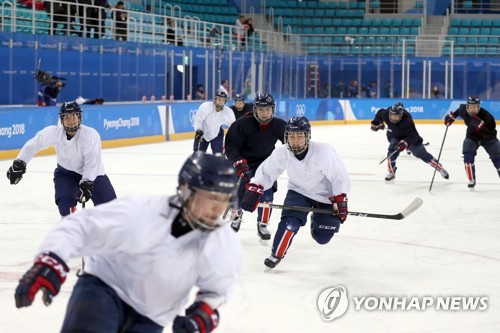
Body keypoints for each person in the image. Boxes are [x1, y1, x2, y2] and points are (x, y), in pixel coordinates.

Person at [14, 152, 241, 333]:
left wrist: (205, 309)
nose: (216, 209)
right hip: (103, 288)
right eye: (210, 198)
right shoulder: (141, 212)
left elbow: (217, 289)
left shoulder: (223, 243)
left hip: (153, 316)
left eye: (222, 201)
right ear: (185, 191)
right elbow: (79, 227)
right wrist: (51, 258)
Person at [239, 117, 351, 268]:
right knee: (289, 224)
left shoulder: (323, 152)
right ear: (286, 137)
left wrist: (340, 199)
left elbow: (339, 177)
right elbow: (267, 172)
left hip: (327, 196)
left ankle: (316, 218)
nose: (295, 140)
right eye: (291, 136)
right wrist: (256, 188)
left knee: (322, 238)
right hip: (299, 191)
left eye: (300, 136)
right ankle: (276, 255)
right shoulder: (282, 152)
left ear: (307, 136)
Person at [7, 101, 116, 217]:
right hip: (66, 174)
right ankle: (73, 230)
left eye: (74, 116)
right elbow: (34, 144)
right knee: (66, 208)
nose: (71, 120)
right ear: (61, 119)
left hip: (94, 176)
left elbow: (92, 163)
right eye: (67, 117)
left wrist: (87, 182)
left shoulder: (90, 136)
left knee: (112, 210)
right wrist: (20, 163)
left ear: (79, 117)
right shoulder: (54, 133)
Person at [225, 93, 286, 243]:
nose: (264, 113)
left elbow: (290, 145)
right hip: (243, 162)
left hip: (265, 163)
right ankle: (236, 218)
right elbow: (231, 146)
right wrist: (239, 162)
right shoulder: (242, 124)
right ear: (255, 109)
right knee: (238, 193)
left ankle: (263, 224)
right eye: (260, 109)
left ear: (273, 109)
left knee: (266, 194)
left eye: (267, 110)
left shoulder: (279, 125)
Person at [371, 102, 450, 181]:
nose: (394, 118)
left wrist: (404, 143)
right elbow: (380, 112)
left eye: (396, 117)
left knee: (423, 155)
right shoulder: (386, 113)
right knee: (391, 154)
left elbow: (413, 136)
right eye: (392, 116)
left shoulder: (407, 120)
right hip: (395, 135)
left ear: (401, 115)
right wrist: (376, 123)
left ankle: (440, 168)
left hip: (410, 138)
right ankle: (391, 172)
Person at [444, 96, 500, 189]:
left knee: (498, 161)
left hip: (488, 138)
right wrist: (451, 118)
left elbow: (491, 134)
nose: (473, 109)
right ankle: (471, 179)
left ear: (479, 107)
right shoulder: (463, 110)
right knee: (468, 157)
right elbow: (456, 113)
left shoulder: (488, 117)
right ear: (467, 107)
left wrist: (481, 128)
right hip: (472, 136)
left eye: (475, 107)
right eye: (471, 107)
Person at [193, 89, 235, 154]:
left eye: (223, 100)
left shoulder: (228, 112)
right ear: (215, 100)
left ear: (225, 101)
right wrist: (198, 130)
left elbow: (234, 126)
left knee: (218, 156)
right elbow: (198, 120)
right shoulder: (205, 107)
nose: (221, 102)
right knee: (197, 155)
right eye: (219, 99)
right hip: (202, 133)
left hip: (217, 134)